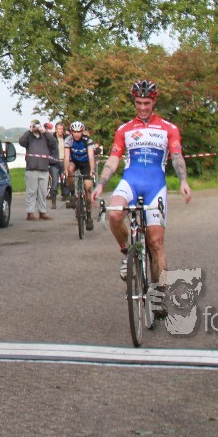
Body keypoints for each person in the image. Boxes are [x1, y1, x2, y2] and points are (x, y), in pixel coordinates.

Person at [91, 80, 192, 318]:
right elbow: (114, 159)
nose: (143, 107)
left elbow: (177, 156)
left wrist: (184, 181)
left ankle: (159, 295)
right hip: (131, 181)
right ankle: (127, 252)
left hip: (155, 185)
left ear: (154, 101)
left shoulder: (168, 128)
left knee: (156, 243)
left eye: (147, 103)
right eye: (138, 102)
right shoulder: (124, 129)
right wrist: (101, 184)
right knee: (114, 212)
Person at [18, 118, 57, 221]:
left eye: (37, 125)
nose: (36, 128)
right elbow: (21, 142)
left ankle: (42, 212)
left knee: (43, 192)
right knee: (31, 192)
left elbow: (54, 142)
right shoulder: (29, 137)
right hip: (31, 169)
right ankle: (30, 213)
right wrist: (29, 131)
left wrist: (45, 132)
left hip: (44, 168)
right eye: (34, 126)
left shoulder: (45, 137)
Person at [64, 120, 96, 230]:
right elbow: (66, 157)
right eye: (74, 132)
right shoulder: (68, 140)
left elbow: (91, 156)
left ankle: (89, 217)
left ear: (82, 132)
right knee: (69, 169)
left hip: (86, 163)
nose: (77, 134)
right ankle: (73, 195)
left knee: (87, 187)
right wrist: (65, 170)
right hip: (75, 162)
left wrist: (92, 170)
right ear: (71, 132)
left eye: (79, 132)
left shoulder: (87, 140)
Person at [48, 121, 66, 207]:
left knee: (65, 180)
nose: (61, 130)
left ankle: (66, 197)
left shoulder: (65, 138)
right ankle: (53, 201)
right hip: (55, 163)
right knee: (55, 182)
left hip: (63, 162)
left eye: (62, 129)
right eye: (59, 129)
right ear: (56, 130)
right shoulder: (52, 139)